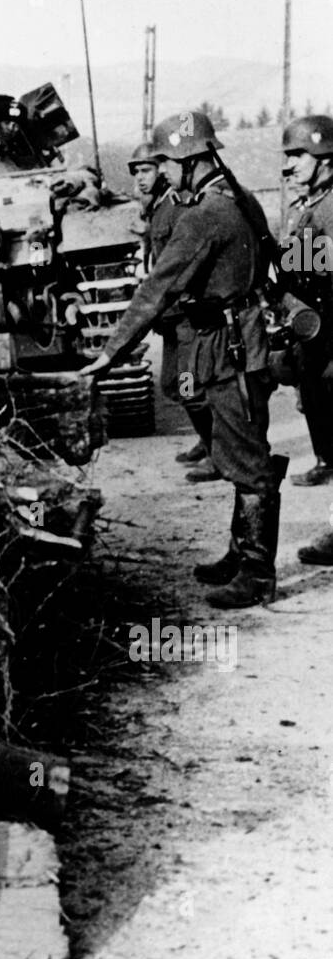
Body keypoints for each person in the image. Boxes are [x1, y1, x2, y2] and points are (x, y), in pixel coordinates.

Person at [81, 109, 285, 609]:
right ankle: (241, 553)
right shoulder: (240, 199)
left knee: (248, 459)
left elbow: (157, 289)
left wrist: (110, 353)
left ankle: (257, 574)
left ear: (190, 160)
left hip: (228, 348)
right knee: (244, 447)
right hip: (245, 340)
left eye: (168, 163)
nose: (164, 172)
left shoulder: (202, 217)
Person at [128, 140, 218, 481]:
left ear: (163, 171)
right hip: (170, 319)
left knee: (188, 386)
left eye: (147, 170)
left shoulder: (177, 206)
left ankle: (217, 451)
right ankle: (206, 439)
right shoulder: (158, 208)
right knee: (174, 385)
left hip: (183, 316)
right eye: (136, 171)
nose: (140, 178)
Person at [280, 116, 333, 490]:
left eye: (299, 155)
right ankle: (325, 458)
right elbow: (298, 261)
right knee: (310, 386)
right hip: (310, 317)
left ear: (324, 157)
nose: (290, 164)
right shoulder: (304, 205)